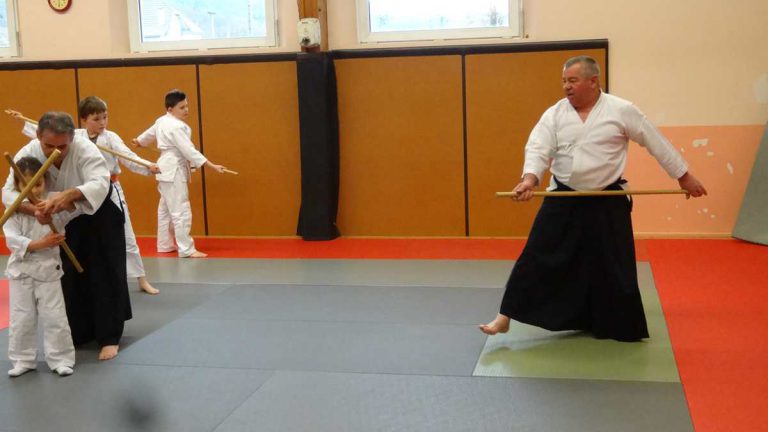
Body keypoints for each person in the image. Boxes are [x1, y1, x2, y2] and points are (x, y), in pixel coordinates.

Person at [479, 55, 707, 342]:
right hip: (564, 195)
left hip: (606, 197)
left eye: (573, 80)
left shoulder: (621, 110)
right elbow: (538, 148)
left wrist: (683, 176)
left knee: (613, 262)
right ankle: (505, 316)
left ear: (593, 81)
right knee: (537, 253)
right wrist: (529, 179)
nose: (566, 86)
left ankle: (619, 324)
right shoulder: (555, 114)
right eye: (564, 81)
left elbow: (655, 141)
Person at [3, 112, 131, 360]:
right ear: (38, 135)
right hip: (58, 219)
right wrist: (33, 210)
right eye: (49, 145)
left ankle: (109, 336)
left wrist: (70, 194)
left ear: (72, 138)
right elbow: (9, 192)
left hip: (98, 215)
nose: (56, 152)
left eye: (62, 146)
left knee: (104, 272)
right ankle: (79, 332)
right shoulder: (28, 151)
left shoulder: (85, 149)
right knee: (69, 276)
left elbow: (99, 183)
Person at [10, 100, 162, 295]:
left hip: (104, 195)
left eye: (105, 117)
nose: (102, 122)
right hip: (60, 207)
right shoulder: (64, 138)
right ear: (84, 120)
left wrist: (148, 166)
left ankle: (141, 278)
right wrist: (34, 210)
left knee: (125, 237)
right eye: (96, 119)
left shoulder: (101, 140)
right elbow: (10, 189)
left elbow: (122, 160)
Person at [4, 157, 79, 377]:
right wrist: (41, 243)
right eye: (26, 184)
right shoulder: (13, 208)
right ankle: (23, 359)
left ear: (45, 180)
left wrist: (54, 213)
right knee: (21, 317)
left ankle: (61, 359)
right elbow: (12, 240)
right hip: (21, 270)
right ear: (17, 185)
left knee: (55, 316)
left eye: (37, 184)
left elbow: (72, 211)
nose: (33, 189)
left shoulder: (52, 201)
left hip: (48, 269)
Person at [133, 89, 227, 258]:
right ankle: (186, 249)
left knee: (165, 210)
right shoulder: (176, 126)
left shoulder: (162, 121)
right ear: (170, 109)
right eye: (182, 107)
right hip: (174, 169)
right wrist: (211, 165)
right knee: (180, 209)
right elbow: (188, 150)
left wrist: (140, 141)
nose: (186, 110)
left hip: (164, 168)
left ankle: (165, 244)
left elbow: (149, 134)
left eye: (186, 106)